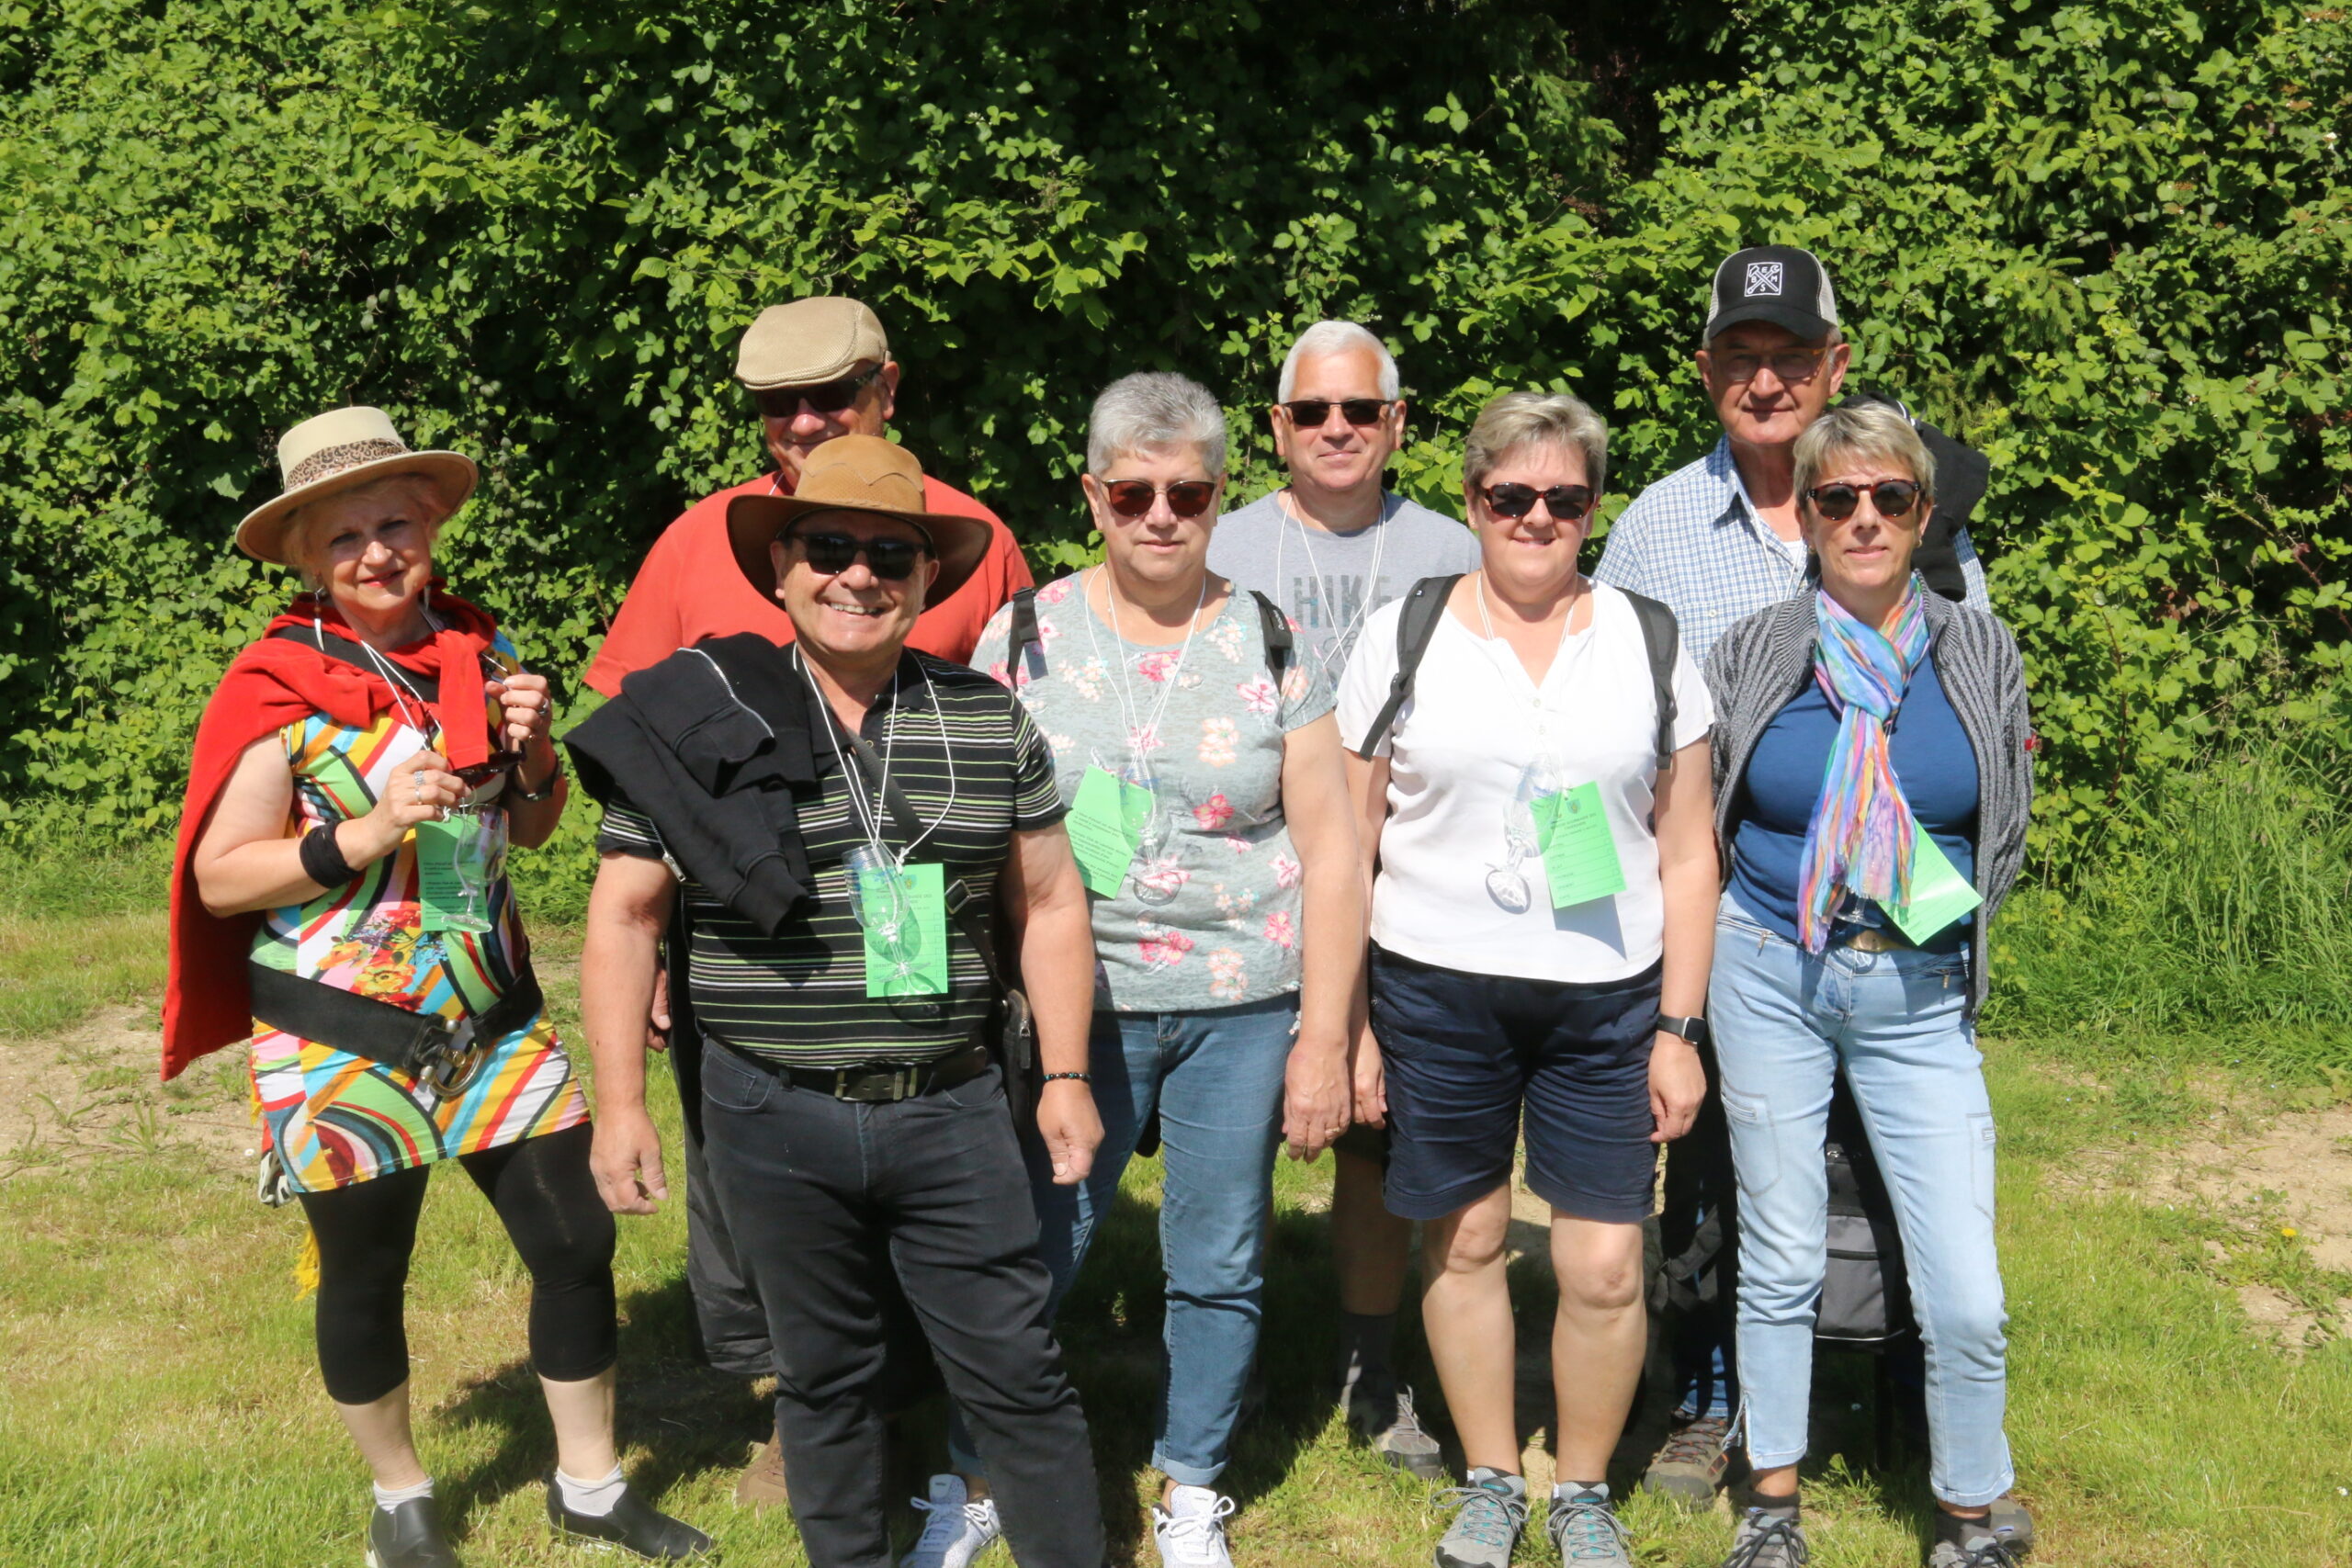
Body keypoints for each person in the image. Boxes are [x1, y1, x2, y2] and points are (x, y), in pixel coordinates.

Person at [164, 408, 711, 1568]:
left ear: (431, 527)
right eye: (344, 535)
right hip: (341, 1035)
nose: (376, 552)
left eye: (394, 525)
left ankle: (590, 1486)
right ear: (308, 557)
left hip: (495, 1019)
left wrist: (535, 752)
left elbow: (533, 826)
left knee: (575, 1242)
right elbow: (220, 876)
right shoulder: (275, 684)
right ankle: (402, 1500)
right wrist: (361, 834)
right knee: (368, 1275)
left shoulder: (480, 650)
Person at [566, 434, 1107, 1568]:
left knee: (1016, 1372)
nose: (858, 575)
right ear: (781, 568)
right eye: (828, 548)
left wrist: (1063, 1075)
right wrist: (619, 1107)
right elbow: (624, 918)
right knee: (822, 1379)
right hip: (769, 1110)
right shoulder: (698, 724)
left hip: (952, 1105)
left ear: (926, 579)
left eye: (890, 555)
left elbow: (1053, 902)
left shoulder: (986, 718)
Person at [930, 372, 1363, 1568]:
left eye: (1188, 492)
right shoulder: (1022, 635)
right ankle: (975, 1470)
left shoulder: (1270, 635)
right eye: (1133, 492)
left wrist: (1324, 1034)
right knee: (1035, 1243)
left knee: (1219, 1258)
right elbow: (967, 830)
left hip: (1241, 1000)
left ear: (1221, 494)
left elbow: (1332, 852)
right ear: (1093, 496)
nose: (1161, 515)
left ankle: (1192, 1484)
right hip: (1077, 1005)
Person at [1591, 244, 1997, 1510]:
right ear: (1706, 368)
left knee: (1892, 1178)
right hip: (1740, 923)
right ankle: (1711, 1401)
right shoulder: (1657, 527)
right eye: (1740, 356)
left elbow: (1982, 727)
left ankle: (1901, 1401)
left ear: (1836, 362)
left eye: (1790, 356)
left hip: (1903, 938)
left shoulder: (1918, 506)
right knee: (1714, 1170)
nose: (1765, 380)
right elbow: (1610, 714)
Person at [1338, 392, 1716, 1568]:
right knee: (1463, 1241)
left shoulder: (1649, 640)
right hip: (1434, 988)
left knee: (1603, 1261)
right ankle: (1494, 1477)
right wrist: (1348, 1024)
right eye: (1511, 496)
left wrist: (1678, 1027)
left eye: (1564, 497)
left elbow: (1688, 851)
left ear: (1592, 507)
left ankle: (1584, 1491)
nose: (1537, 518)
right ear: (1472, 501)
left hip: (1606, 999)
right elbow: (1348, 847)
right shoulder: (1405, 633)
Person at [1702, 402, 2032, 1568]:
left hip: (1916, 988)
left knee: (1967, 1289)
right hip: (1766, 970)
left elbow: (2004, 822)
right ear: (1805, 514)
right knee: (1781, 1254)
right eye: (1836, 498)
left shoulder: (1979, 650)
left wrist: (1948, 932)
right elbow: (1708, 806)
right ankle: (1771, 1505)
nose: (1863, 519)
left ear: (1923, 513)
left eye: (1889, 497)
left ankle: (1968, 1512)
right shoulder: (1755, 646)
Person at [1204, 321, 1475, 1477]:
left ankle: (1371, 1365)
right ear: (1276, 427)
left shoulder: (1456, 550)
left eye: (1360, 410)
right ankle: (1228, 1358)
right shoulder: (1219, 543)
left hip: (1404, 885)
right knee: (1231, 1142)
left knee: (1374, 1132)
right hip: (1240, 889)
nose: (1336, 430)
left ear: (1396, 424)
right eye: (1311, 411)